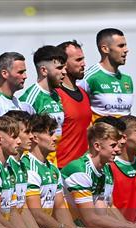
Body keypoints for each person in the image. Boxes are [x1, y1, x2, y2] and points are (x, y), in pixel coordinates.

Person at [78, 28, 133, 121]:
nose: (126, 50)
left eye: (125, 45)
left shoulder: (127, 79)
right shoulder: (90, 78)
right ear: (105, 49)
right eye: (121, 46)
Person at [55, 40, 92, 168]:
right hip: (62, 168)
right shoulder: (54, 96)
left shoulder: (84, 93)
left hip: (83, 168)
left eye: (83, 59)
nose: (83, 64)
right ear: (63, 64)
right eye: (78, 60)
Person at [0, 52, 27, 121]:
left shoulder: (16, 102)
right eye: (20, 72)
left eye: (24, 72)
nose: (25, 76)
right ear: (4, 74)